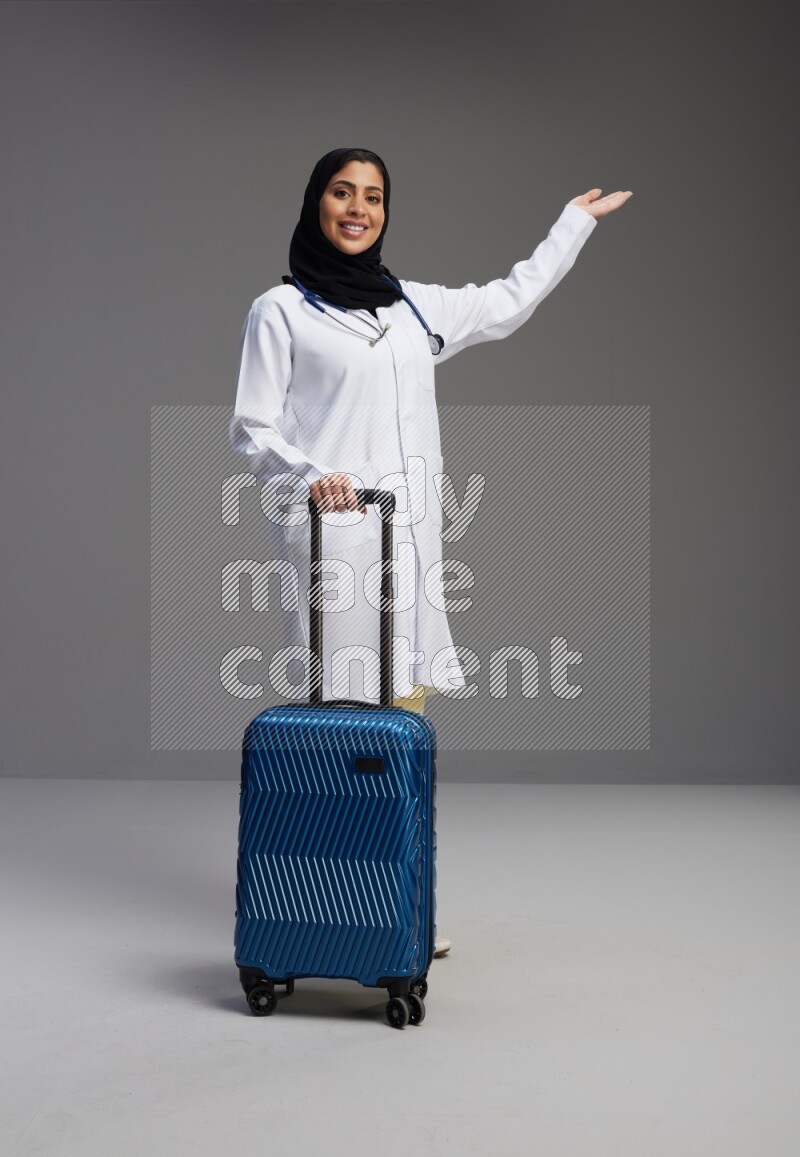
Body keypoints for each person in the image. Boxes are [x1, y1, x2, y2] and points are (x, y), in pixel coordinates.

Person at [229, 148, 632, 957]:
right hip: (336, 539)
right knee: (343, 724)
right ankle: (328, 908)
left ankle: (395, 908)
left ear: (386, 212)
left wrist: (572, 224)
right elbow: (251, 427)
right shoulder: (282, 310)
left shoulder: (411, 307)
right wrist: (309, 475)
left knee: (403, 716)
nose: (358, 208)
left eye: (373, 197)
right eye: (342, 193)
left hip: (408, 541)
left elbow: (508, 300)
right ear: (316, 203)